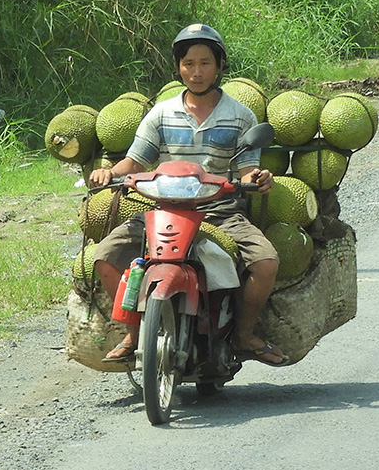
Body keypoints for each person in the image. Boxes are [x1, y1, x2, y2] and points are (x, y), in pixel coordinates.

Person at [88, 23, 289, 367]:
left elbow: (246, 170)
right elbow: (136, 161)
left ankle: (243, 334)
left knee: (266, 262)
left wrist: (259, 178)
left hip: (220, 210)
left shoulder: (240, 116)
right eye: (189, 64)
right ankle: (136, 335)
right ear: (178, 67)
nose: (196, 72)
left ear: (221, 65)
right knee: (104, 257)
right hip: (163, 209)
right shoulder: (162, 113)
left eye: (205, 63)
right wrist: (110, 172)